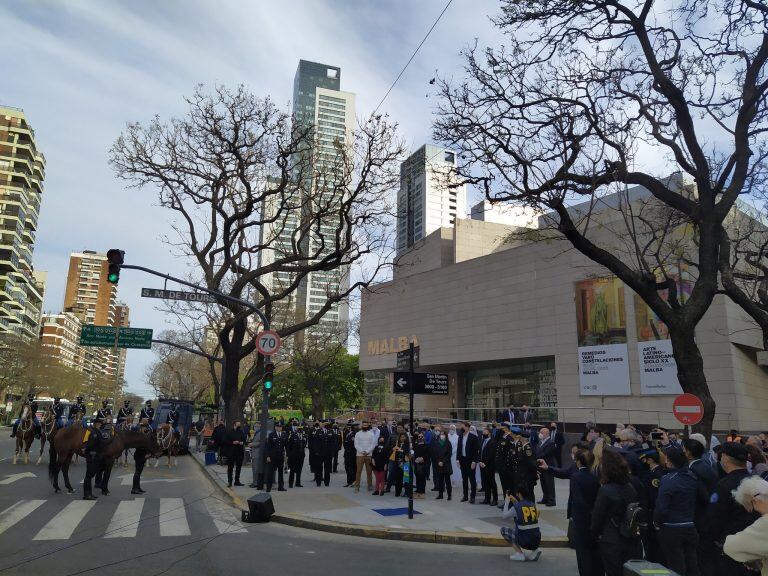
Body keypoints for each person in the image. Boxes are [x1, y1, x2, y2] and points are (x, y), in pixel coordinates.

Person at [542, 447, 602, 576]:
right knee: (594, 551)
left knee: (583, 553)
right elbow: (563, 473)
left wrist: (576, 517)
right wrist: (548, 468)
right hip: (595, 517)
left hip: (581, 519)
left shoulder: (576, 477)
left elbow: (578, 501)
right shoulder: (596, 475)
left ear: (579, 462)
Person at [703, 442, 761, 576]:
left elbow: (713, 521)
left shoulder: (724, 486)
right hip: (756, 547)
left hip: (731, 549)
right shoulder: (757, 481)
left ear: (725, 457)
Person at [591, 449, 642, 576]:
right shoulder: (631, 487)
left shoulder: (606, 491)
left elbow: (597, 518)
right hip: (630, 537)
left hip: (611, 539)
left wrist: (596, 535)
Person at [654, 448, 700, 576]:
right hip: (689, 525)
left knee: (676, 565)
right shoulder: (692, 477)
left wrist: (657, 522)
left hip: (671, 527)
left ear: (669, 461)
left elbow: (661, 507)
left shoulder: (668, 480)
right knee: (692, 564)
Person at [724, 475, 768, 576]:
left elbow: (731, 546)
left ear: (754, 501)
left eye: (749, 506)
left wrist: (749, 555)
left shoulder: (765, 523)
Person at [501, 493, 542, 562]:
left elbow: (504, 516)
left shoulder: (516, 507)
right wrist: (515, 501)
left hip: (525, 541)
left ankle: (519, 554)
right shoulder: (532, 504)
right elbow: (523, 511)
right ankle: (535, 550)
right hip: (536, 540)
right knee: (529, 528)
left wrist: (507, 502)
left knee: (503, 530)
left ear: (519, 494)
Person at [457, 421, 480, 503]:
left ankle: (472, 496)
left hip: (470, 461)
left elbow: (476, 451)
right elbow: (459, 449)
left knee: (472, 479)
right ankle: (465, 496)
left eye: (463, 427)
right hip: (462, 460)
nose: (461, 428)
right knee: (464, 479)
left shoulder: (473, 437)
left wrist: (474, 461)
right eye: (461, 427)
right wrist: (457, 459)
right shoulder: (460, 436)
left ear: (467, 427)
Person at [83, 417, 105, 500]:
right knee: (89, 476)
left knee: (89, 475)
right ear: (96, 424)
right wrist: (86, 449)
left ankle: (89, 493)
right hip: (92, 456)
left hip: (94, 455)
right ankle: (87, 494)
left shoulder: (96, 431)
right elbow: (91, 444)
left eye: (100, 424)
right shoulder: (94, 432)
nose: (100, 425)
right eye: (99, 424)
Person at [535, 427, 557, 507]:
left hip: (548, 466)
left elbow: (546, 454)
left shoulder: (551, 443)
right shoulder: (540, 442)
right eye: (540, 432)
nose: (540, 434)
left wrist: (536, 457)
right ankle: (545, 498)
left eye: (542, 432)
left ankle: (552, 500)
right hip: (541, 466)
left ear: (547, 434)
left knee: (549, 483)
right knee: (543, 483)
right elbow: (537, 451)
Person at [353, 420, 376, 492]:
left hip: (369, 455)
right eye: (364, 425)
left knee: (369, 471)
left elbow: (373, 444)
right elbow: (356, 444)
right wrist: (362, 451)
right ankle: (357, 486)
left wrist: (367, 451)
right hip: (359, 455)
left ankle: (369, 485)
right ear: (361, 426)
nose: (365, 426)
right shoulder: (357, 434)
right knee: (358, 471)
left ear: (368, 426)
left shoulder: (371, 434)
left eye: (366, 425)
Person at [432, 428, 453, 500]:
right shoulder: (437, 443)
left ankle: (449, 495)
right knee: (440, 480)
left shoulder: (448, 443)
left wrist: (443, 461)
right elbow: (435, 454)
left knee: (447, 481)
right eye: (441, 434)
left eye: (443, 434)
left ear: (446, 435)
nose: (442, 435)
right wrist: (438, 461)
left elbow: (449, 454)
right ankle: (440, 494)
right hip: (439, 464)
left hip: (446, 464)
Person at [264, 421, 286, 492]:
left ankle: (281, 487)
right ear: (275, 427)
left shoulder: (284, 434)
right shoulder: (271, 435)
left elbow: (286, 446)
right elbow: (268, 447)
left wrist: (287, 455)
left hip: (280, 456)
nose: (279, 428)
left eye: (280, 427)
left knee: (280, 473)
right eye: (278, 427)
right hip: (272, 456)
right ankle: (268, 487)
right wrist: (268, 456)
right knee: (270, 472)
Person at [480, 425, 498, 506]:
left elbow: (491, 455)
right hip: (482, 464)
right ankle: (487, 498)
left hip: (490, 465)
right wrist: (480, 461)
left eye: (485, 432)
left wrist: (485, 463)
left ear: (489, 433)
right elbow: (480, 452)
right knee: (485, 482)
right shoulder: (483, 441)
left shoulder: (493, 442)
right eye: (483, 432)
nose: (483, 433)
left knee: (492, 482)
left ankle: (495, 499)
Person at [225, 421, 247, 487]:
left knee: (238, 467)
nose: (239, 426)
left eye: (240, 425)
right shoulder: (229, 432)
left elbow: (244, 440)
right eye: (238, 425)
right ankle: (230, 481)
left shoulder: (241, 432)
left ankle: (237, 481)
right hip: (231, 452)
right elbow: (225, 441)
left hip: (239, 452)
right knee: (230, 467)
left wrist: (241, 442)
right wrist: (233, 442)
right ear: (234, 425)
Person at [286, 419, 307, 488]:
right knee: (292, 470)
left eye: (301, 429)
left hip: (301, 455)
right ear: (297, 429)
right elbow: (289, 446)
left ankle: (298, 483)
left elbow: (304, 445)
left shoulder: (304, 436)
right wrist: (289, 454)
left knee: (299, 470)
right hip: (294, 455)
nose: (300, 431)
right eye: (299, 429)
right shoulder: (293, 436)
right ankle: (290, 483)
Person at [390, 432, 410, 497]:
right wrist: (393, 449)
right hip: (397, 463)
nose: (402, 438)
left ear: (406, 438)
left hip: (405, 463)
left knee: (406, 478)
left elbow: (407, 452)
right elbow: (392, 451)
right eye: (401, 437)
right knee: (398, 478)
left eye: (404, 437)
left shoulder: (407, 444)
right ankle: (398, 492)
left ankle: (407, 492)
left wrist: (400, 450)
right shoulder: (397, 444)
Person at [413, 432, 430, 499]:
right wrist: (416, 458)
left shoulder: (426, 445)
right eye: (419, 437)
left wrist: (423, 458)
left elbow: (428, 454)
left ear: (424, 437)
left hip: (424, 463)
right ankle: (418, 490)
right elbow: (414, 453)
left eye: (422, 436)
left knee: (422, 478)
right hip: (417, 463)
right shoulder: (416, 445)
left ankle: (422, 491)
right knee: (417, 477)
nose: (420, 438)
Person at [343, 420, 358, 487]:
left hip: (352, 453)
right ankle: (349, 482)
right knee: (347, 467)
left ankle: (353, 481)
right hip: (347, 453)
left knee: (352, 468)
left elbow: (354, 444)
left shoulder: (354, 434)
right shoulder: (348, 433)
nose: (348, 427)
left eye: (349, 426)